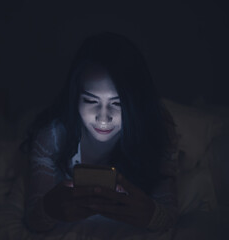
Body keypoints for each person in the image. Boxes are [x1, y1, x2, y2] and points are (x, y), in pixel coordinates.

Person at [20, 32, 179, 235]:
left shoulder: (159, 132)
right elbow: (34, 220)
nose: (103, 118)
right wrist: (49, 210)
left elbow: (169, 215)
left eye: (118, 103)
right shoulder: (51, 137)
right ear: (75, 96)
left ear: (135, 104)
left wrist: (151, 214)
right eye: (91, 101)